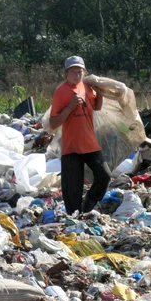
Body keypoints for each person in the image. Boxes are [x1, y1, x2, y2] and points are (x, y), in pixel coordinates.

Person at [49, 56, 111, 216]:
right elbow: (54, 123)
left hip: (90, 143)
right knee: (72, 190)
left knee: (104, 176)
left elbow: (97, 107)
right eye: (73, 72)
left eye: (80, 72)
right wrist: (69, 107)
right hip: (71, 147)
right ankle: (74, 221)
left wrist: (100, 93)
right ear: (66, 74)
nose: (77, 75)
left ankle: (88, 204)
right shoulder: (61, 92)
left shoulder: (87, 87)